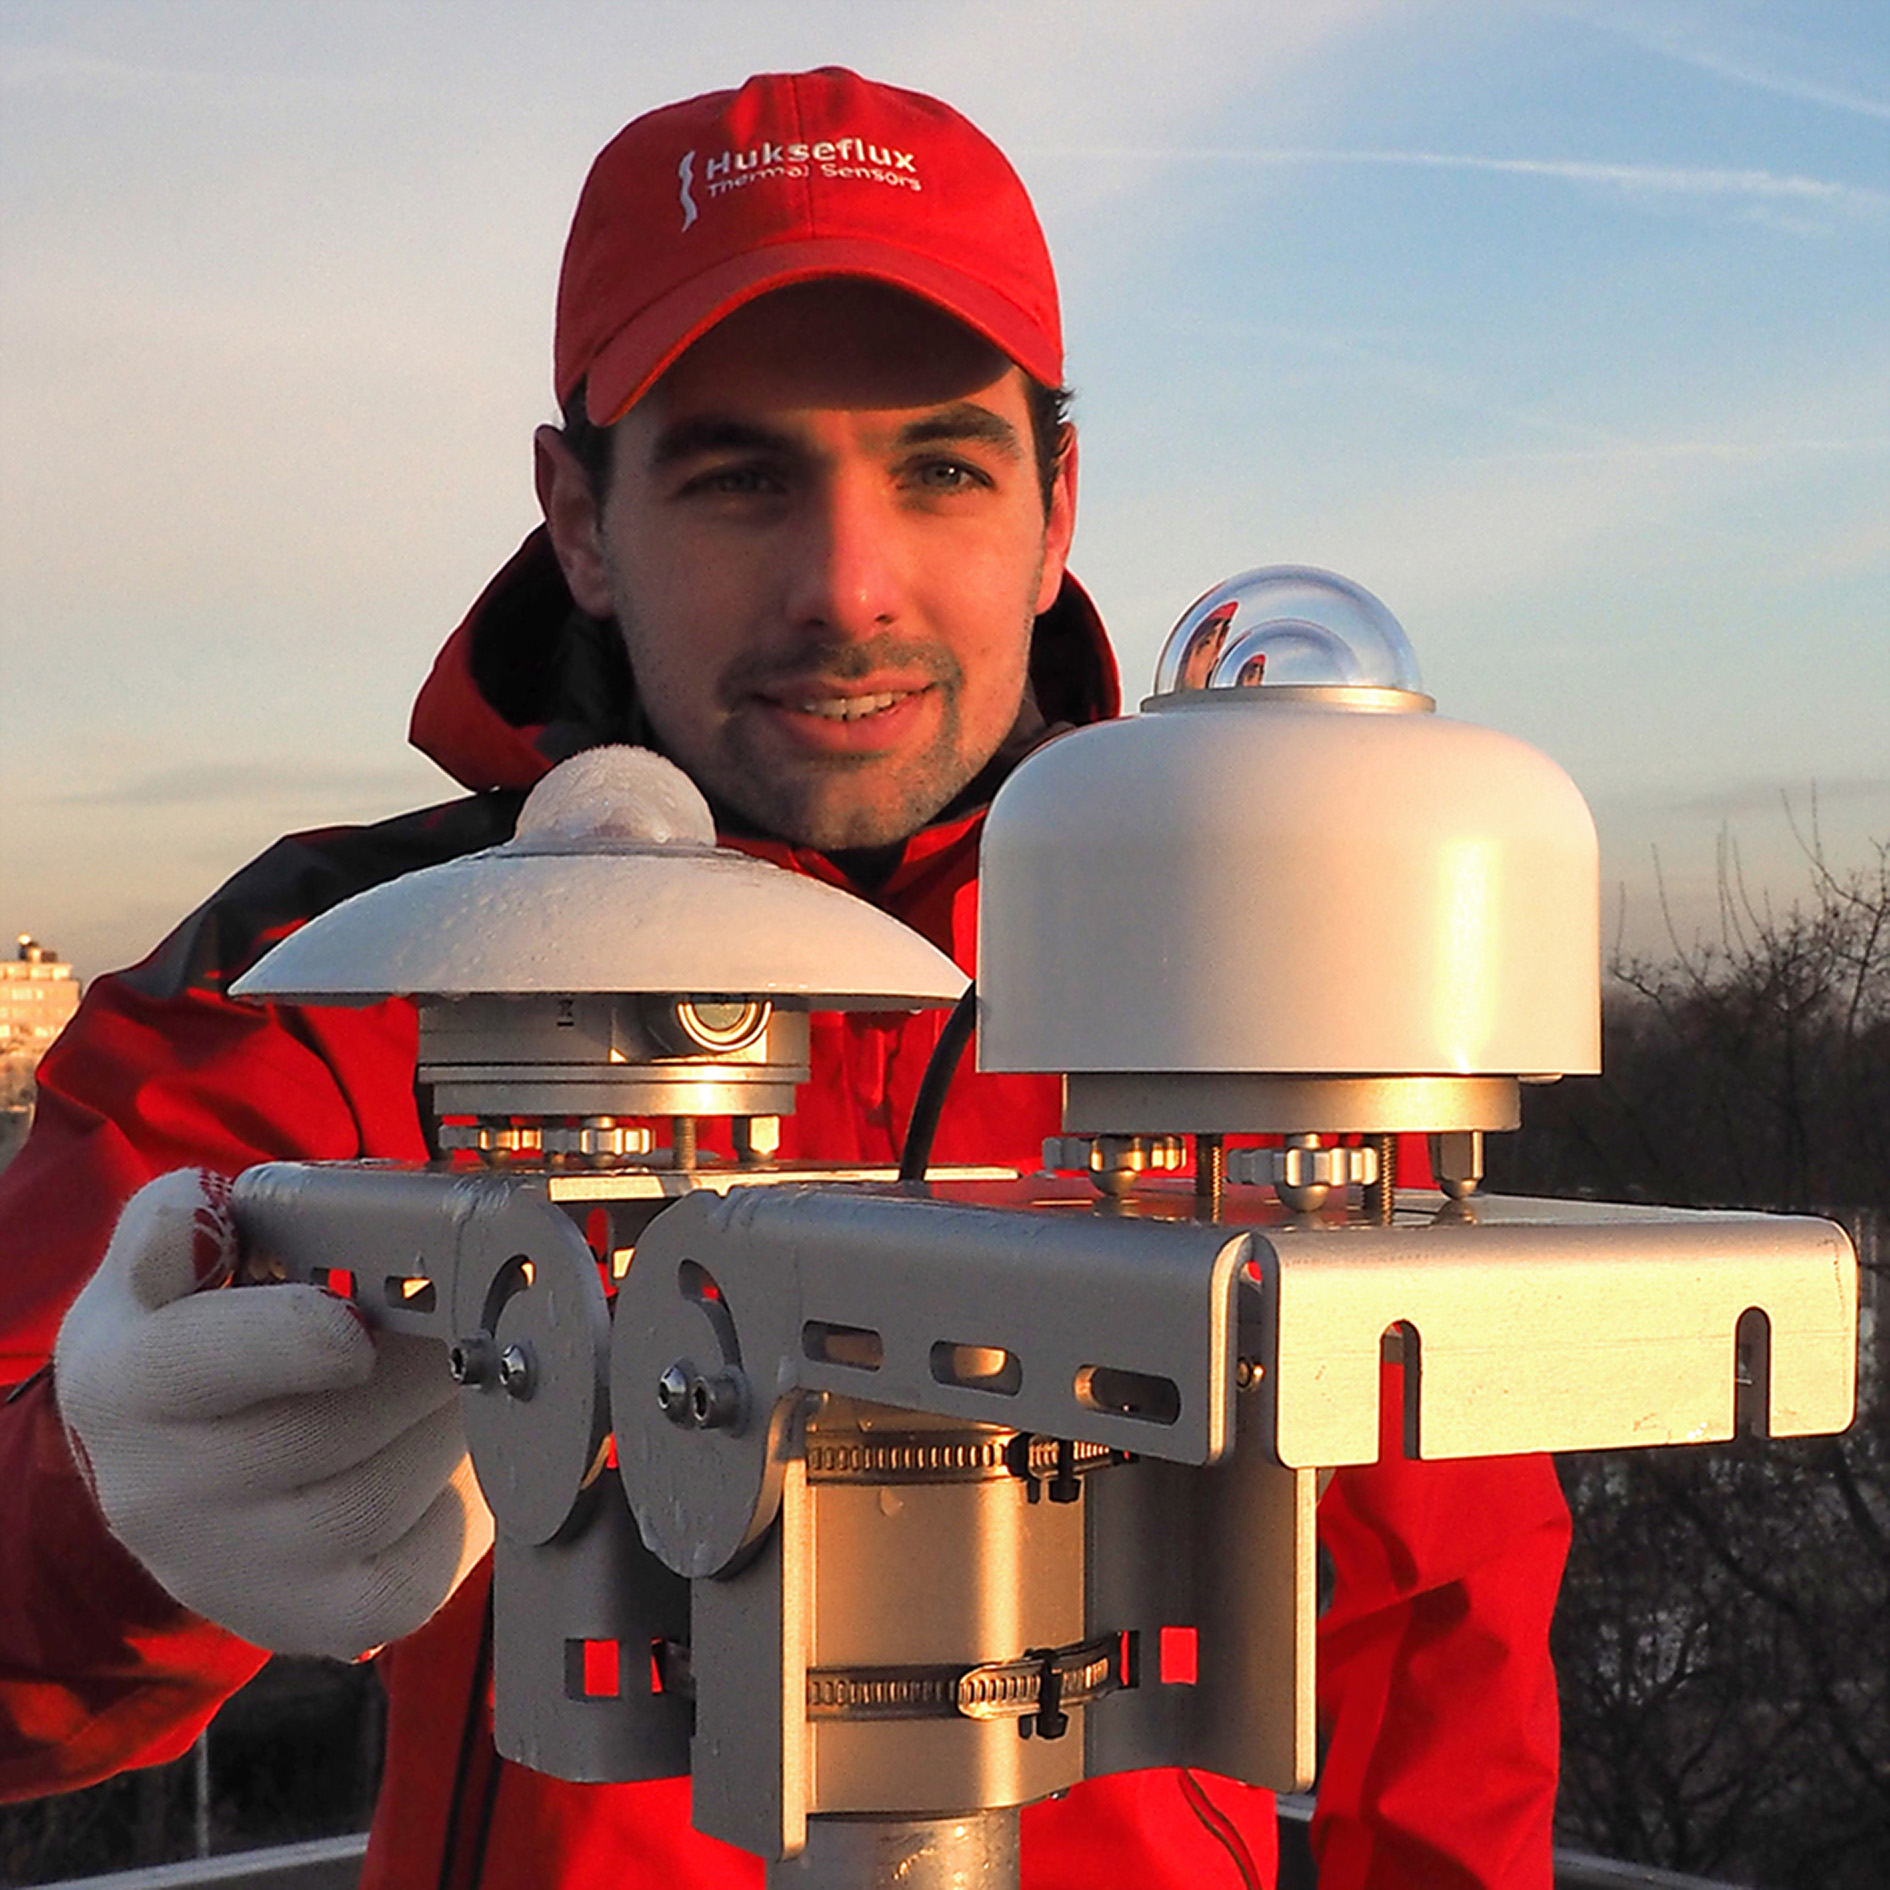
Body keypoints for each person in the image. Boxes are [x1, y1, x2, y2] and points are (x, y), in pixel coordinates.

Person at [0, 69, 1571, 1889]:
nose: (850, 585)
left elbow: (1440, 1583)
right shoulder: (365, 975)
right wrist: (114, 1510)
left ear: (1056, 505)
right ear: (581, 518)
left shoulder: (1228, 976)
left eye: (942, 468)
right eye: (741, 475)